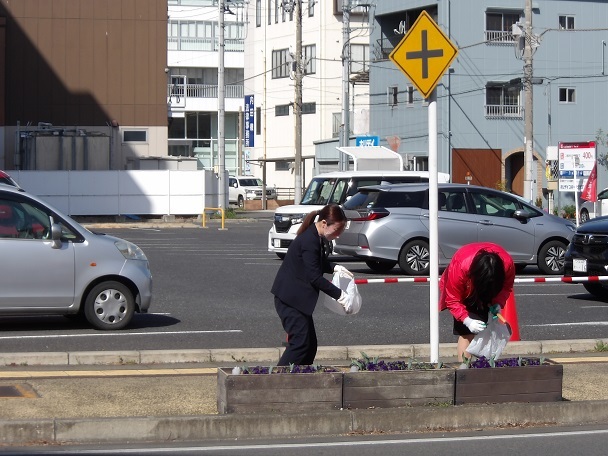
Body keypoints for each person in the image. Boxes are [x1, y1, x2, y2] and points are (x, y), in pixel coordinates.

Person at [271, 204, 353, 366]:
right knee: (300, 344)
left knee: (309, 345)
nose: (338, 235)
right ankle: (277, 381)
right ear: (324, 223)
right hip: (290, 299)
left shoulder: (315, 237)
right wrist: (340, 295)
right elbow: (314, 277)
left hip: (297, 300)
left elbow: (315, 263)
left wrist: (334, 267)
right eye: (337, 230)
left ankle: (303, 380)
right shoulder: (310, 240)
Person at [439, 242, 515, 362]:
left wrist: (498, 303)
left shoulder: (507, 264)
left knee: (486, 328)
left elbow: (506, 287)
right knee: (467, 333)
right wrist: (467, 320)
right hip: (467, 290)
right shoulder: (461, 267)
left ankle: (483, 367)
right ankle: (465, 370)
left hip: (487, 286)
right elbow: (453, 299)